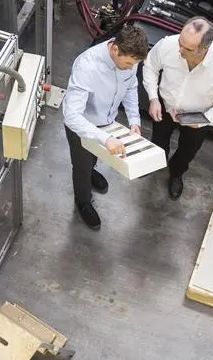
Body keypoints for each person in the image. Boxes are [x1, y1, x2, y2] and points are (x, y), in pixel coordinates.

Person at [62, 25, 151, 230]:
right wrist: (105, 139)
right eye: (128, 63)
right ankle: (83, 201)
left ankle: (92, 171)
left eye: (134, 64)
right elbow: (72, 116)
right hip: (82, 126)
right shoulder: (87, 65)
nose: (131, 68)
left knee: (95, 157)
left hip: (107, 121)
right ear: (115, 50)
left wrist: (134, 121)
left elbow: (131, 88)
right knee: (82, 165)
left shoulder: (130, 60)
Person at [143, 17, 213, 199]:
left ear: (204, 49)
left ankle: (176, 174)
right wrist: (153, 98)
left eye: (187, 49)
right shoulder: (168, 45)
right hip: (165, 106)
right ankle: (154, 163)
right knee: (158, 140)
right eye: (180, 42)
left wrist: (204, 120)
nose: (179, 50)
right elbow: (150, 67)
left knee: (187, 150)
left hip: (197, 117)